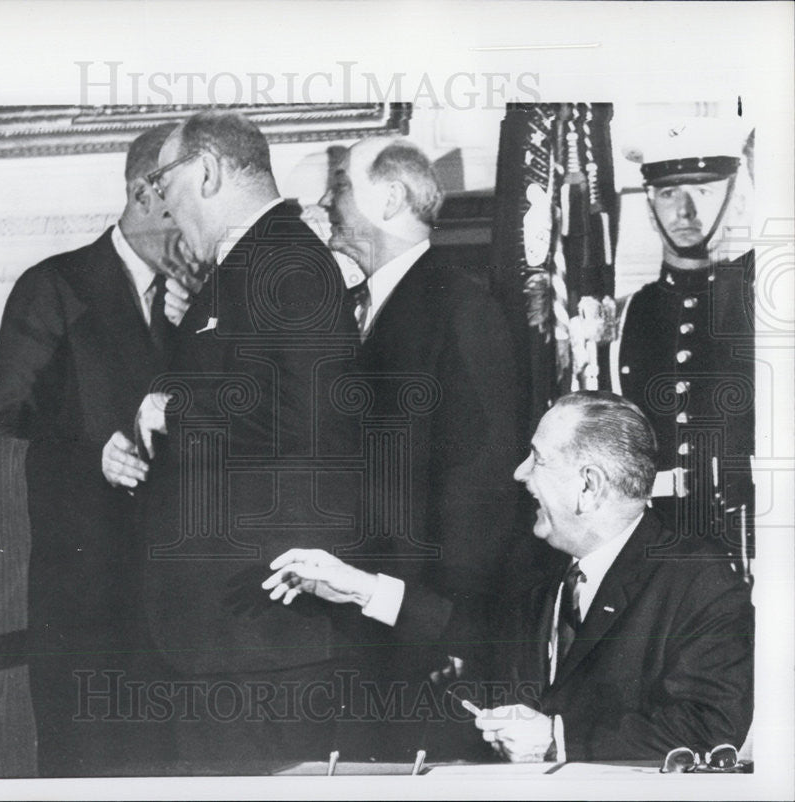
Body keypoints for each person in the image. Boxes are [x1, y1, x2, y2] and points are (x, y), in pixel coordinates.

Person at [268, 392, 755, 762]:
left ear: (589, 486)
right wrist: (359, 587)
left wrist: (557, 740)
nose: (520, 474)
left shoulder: (699, 581)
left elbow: (709, 729)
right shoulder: (541, 563)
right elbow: (472, 629)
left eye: (537, 460)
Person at [264, 136, 525, 758]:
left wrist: (442, 631)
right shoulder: (369, 306)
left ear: (388, 197)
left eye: (340, 188)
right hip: (371, 627)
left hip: (421, 648)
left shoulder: (461, 308)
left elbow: (481, 490)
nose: (326, 204)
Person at [128, 110, 360, 764]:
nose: (165, 209)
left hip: (260, 645)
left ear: (205, 172)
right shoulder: (250, 268)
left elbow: (313, 422)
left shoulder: (288, 263)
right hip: (232, 638)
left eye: (163, 185)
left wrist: (176, 413)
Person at [0, 123, 193, 776]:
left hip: (180, 620)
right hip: (88, 614)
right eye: (192, 191)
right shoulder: (54, 288)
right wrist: (88, 460)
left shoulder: (200, 300)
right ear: (144, 193)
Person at [613, 117, 756, 560]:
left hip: (749, 540)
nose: (684, 210)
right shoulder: (629, 313)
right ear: (650, 205)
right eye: (669, 193)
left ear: (734, 200)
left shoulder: (760, 293)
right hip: (662, 551)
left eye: (704, 190)